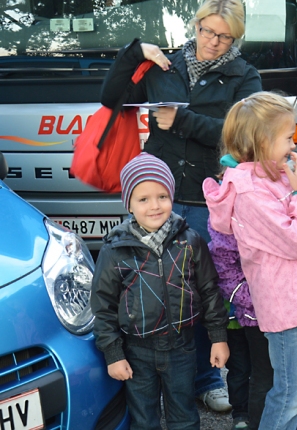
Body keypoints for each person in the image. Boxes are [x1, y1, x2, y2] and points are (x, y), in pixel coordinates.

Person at [100, 0, 262, 412]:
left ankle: (208, 380)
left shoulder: (245, 77)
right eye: (208, 31)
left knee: (207, 293)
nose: (213, 41)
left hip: (213, 200)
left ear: (236, 39)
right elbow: (110, 95)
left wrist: (182, 120)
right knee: (157, 291)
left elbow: (242, 135)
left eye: (224, 37)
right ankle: (166, 379)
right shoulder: (164, 64)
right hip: (162, 197)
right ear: (196, 26)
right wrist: (135, 52)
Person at [203, 92, 297, 429]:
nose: (293, 144)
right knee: (291, 391)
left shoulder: (276, 175)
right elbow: (296, 241)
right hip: (284, 306)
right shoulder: (250, 192)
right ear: (262, 141)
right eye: (287, 137)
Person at [91, 153, 230, 430]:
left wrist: (217, 337)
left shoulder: (190, 241)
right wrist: (114, 354)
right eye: (143, 199)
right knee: (143, 419)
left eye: (162, 196)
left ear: (172, 197)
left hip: (182, 348)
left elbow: (209, 291)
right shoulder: (114, 250)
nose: (154, 206)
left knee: (184, 416)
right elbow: (102, 306)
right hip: (136, 352)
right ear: (129, 204)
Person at [207, 213, 273, 430]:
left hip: (254, 319)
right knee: (239, 369)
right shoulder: (220, 241)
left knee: (258, 368)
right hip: (233, 320)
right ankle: (241, 414)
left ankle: (255, 414)